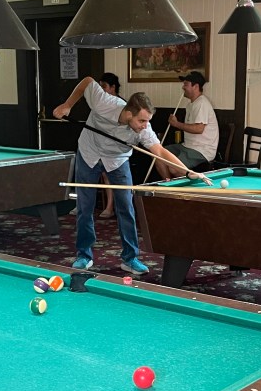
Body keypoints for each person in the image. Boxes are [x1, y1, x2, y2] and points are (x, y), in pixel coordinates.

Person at [53, 76, 186, 275]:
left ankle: (130, 258)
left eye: (147, 121)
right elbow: (88, 81)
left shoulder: (144, 128)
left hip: (117, 160)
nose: (144, 125)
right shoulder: (105, 102)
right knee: (85, 206)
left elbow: (159, 151)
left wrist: (187, 172)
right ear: (128, 113)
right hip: (89, 154)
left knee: (126, 207)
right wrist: (67, 105)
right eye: (141, 120)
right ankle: (84, 255)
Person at [154, 70, 219, 179]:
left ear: (196, 86)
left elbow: (199, 129)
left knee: (174, 168)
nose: (183, 87)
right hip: (187, 146)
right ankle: (169, 185)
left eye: (186, 84)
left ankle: (184, 189)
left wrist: (176, 124)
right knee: (157, 153)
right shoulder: (191, 104)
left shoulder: (202, 103)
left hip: (201, 150)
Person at [97, 72, 123, 219]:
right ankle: (83, 203)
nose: (101, 90)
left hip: (116, 149)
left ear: (113, 88)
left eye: (104, 86)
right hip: (100, 146)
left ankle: (109, 207)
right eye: (100, 86)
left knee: (107, 173)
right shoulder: (101, 104)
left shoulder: (121, 105)